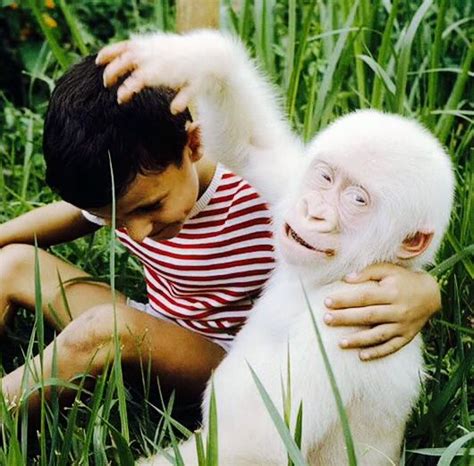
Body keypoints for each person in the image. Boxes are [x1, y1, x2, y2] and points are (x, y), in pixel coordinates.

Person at [0, 40, 440, 412]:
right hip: (159, 323)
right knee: (13, 262)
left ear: (194, 144)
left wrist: (425, 292)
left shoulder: (266, 193)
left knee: (108, 329)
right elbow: (75, 214)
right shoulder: (127, 190)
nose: (135, 232)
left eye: (151, 208)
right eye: (115, 218)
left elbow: (357, 242)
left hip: (234, 363)